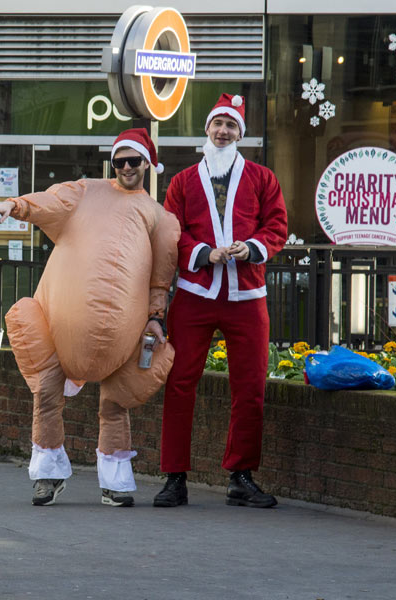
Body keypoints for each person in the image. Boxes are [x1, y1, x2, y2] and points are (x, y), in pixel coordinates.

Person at [0, 128, 180, 508]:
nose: (125, 167)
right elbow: (48, 203)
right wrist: (15, 205)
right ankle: (47, 476)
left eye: (133, 160)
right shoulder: (86, 190)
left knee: (114, 403)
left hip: (125, 332)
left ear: (147, 164)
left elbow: (160, 276)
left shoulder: (160, 218)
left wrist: (156, 317)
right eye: (118, 160)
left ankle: (116, 482)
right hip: (61, 323)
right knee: (47, 395)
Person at [153, 93, 288, 509]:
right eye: (218, 124)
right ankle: (174, 476)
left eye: (231, 126)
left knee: (250, 388)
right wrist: (202, 253)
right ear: (207, 129)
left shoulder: (263, 178)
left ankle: (240, 476)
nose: (223, 131)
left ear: (239, 134)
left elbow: (277, 226)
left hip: (248, 295)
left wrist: (252, 247)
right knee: (180, 384)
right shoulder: (183, 181)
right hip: (195, 294)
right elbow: (172, 231)